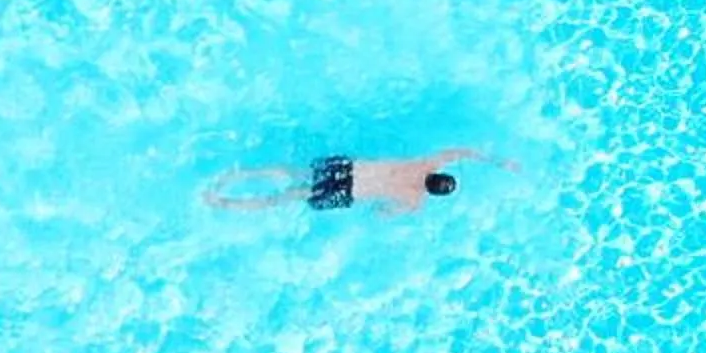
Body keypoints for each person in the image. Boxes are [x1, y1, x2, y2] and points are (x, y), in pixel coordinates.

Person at [206, 147, 504, 216]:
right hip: (349, 192)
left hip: (350, 169)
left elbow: (462, 151)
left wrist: (498, 162)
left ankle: (237, 175)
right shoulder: (414, 201)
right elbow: (381, 214)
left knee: (291, 172)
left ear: (438, 175)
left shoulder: (425, 164)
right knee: (289, 196)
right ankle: (224, 203)